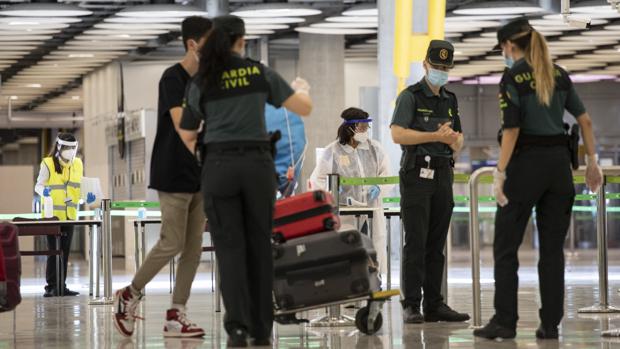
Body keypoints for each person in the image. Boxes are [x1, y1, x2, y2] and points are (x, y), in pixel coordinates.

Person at [177, 15, 313, 348]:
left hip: (219, 167)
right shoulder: (258, 72)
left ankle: (236, 328)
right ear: (242, 40)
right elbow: (303, 109)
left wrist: (206, 150)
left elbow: (187, 130)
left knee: (229, 250)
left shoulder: (202, 79)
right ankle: (261, 329)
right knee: (259, 246)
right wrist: (301, 90)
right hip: (256, 166)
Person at [474, 18, 603, 340]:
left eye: (502, 47)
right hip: (560, 169)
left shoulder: (512, 76)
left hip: (525, 168)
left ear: (509, 45)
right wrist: (592, 163)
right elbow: (584, 120)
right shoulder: (559, 74)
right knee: (552, 251)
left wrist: (499, 171)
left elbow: (512, 129)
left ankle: (505, 322)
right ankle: (550, 325)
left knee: (506, 248)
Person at [113, 16, 212, 339]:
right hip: (173, 171)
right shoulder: (174, 78)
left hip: (201, 173)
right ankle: (131, 293)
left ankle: (176, 313)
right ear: (193, 44)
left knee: (194, 248)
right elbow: (185, 124)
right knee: (172, 241)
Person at [390, 40, 469, 324]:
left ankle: (435, 304)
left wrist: (453, 140)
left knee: (436, 244)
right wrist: (434, 136)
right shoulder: (410, 96)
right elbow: (398, 134)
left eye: (446, 68)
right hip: (416, 175)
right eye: (437, 66)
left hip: (443, 174)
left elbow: (459, 138)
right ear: (425, 65)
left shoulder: (450, 99)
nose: (441, 72)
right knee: (416, 242)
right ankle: (412, 303)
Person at [309, 107, 391, 277]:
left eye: (367, 127)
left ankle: (373, 281)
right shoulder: (332, 151)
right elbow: (317, 179)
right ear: (351, 128)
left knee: (373, 244)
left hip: (371, 208)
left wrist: (379, 188)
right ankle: (350, 284)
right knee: (348, 247)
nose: (366, 131)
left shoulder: (375, 149)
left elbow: (386, 174)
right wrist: (331, 190)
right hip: (345, 211)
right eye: (362, 127)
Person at [34, 132, 95, 297]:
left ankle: (62, 285)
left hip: (70, 214)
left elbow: (79, 188)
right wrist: (44, 192)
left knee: (64, 252)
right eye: (67, 147)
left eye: (73, 148)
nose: (70, 151)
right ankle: (52, 286)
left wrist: (86, 198)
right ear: (59, 147)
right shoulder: (48, 163)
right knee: (54, 251)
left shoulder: (78, 164)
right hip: (52, 216)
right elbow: (38, 186)